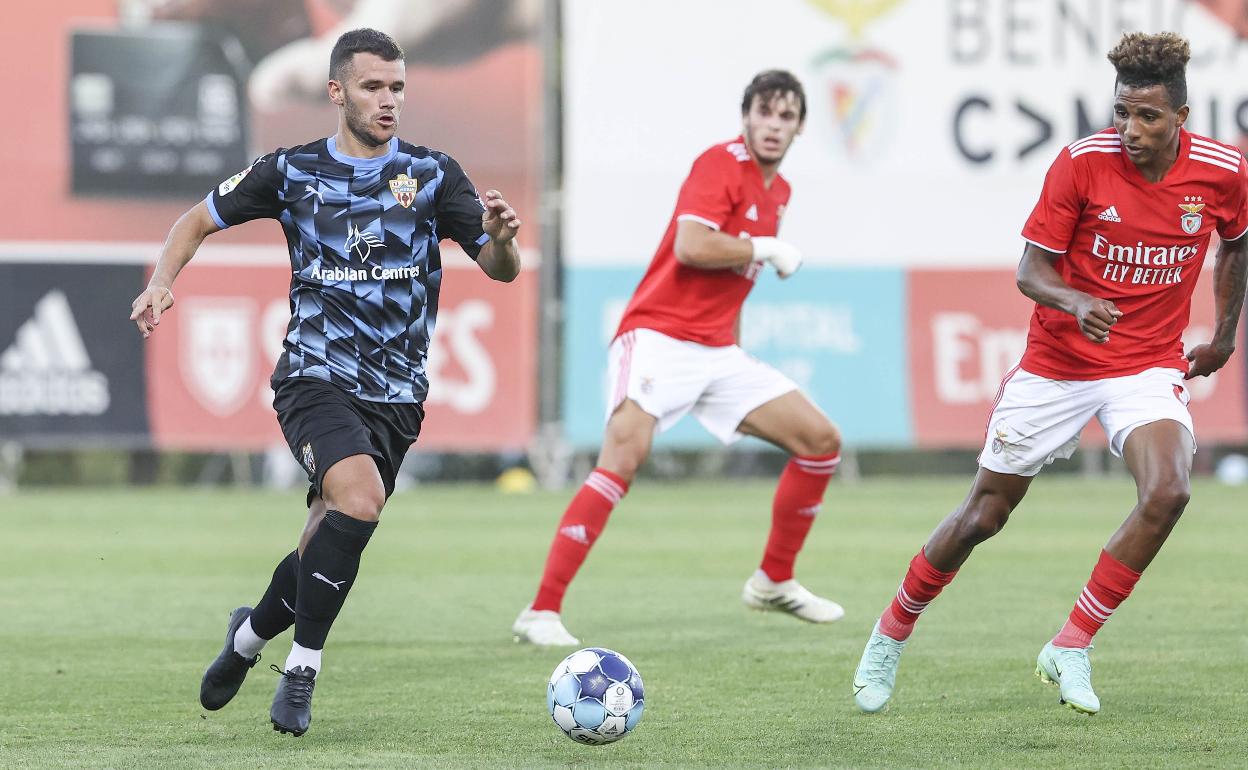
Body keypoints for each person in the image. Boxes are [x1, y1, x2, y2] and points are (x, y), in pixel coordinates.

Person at [129, 28, 522, 736]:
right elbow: (196, 219)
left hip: (398, 395)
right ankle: (302, 669)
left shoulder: (434, 176)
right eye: (373, 87)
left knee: (325, 536)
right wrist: (161, 281)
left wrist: (500, 238)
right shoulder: (291, 171)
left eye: (398, 87)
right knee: (360, 500)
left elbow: (500, 270)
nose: (389, 100)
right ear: (335, 91)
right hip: (315, 375)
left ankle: (246, 639)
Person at [852, 32, 1247, 716]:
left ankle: (1071, 644)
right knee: (984, 515)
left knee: (1170, 491)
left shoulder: (1222, 171)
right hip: (1057, 365)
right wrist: (1076, 298)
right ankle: (891, 631)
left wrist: (1222, 337)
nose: (1130, 129)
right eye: (1122, 112)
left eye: (1148, 116)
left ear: (1180, 117)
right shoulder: (1081, 164)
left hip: (1145, 363)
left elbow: (1236, 247)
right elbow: (1030, 271)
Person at [512, 70, 846, 647]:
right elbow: (693, 246)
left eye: (786, 116)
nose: (773, 125)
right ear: (746, 117)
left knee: (821, 441)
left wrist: (733, 344)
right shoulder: (720, 163)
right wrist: (766, 247)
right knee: (625, 454)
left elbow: (734, 280)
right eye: (764, 112)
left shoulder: (780, 192)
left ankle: (773, 580)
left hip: (717, 352)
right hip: (658, 338)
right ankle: (540, 612)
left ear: (800, 128)